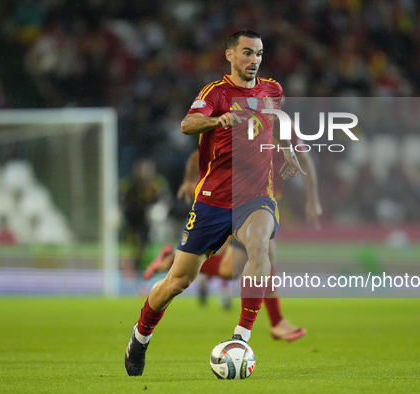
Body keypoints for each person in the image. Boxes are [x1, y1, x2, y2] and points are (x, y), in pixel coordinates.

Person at [125, 29, 306, 376]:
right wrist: (215, 120)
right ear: (230, 56)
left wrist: (287, 151)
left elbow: (276, 127)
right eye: (247, 53)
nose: (254, 60)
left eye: (259, 54)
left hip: (256, 196)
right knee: (178, 282)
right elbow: (187, 124)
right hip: (212, 201)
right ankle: (140, 335)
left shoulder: (273, 90)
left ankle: (242, 337)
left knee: (259, 245)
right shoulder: (216, 93)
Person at [144, 146, 323, 341]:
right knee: (264, 249)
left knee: (230, 269)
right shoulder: (248, 127)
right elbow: (200, 154)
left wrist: (312, 200)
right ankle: (274, 322)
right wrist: (189, 179)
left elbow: (304, 159)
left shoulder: (282, 128)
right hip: (237, 205)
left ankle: (171, 261)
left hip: (262, 202)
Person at [119, 158, 170, 276]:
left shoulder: (157, 183)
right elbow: (121, 199)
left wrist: (159, 209)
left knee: (151, 245)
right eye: (140, 170)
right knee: (135, 246)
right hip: (133, 219)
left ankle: (153, 269)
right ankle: (135, 271)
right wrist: (118, 212)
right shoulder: (129, 184)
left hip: (152, 221)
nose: (143, 173)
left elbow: (166, 199)